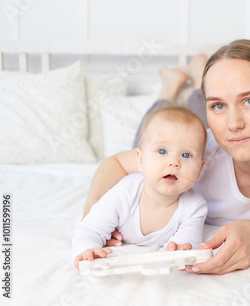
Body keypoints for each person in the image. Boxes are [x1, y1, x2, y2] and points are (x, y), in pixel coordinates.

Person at [82, 40, 250, 275]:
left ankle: (196, 78)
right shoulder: (193, 154)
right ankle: (170, 86)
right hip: (194, 139)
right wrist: (94, 215)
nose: (234, 124)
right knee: (169, 128)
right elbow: (116, 163)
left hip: (206, 136)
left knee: (194, 125)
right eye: (217, 105)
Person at [73, 107, 207, 269]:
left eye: (186, 155)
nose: (174, 162)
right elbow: (89, 229)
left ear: (199, 169)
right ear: (140, 160)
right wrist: (87, 249)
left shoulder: (195, 207)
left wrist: (179, 251)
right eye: (162, 151)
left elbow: (186, 246)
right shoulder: (124, 193)